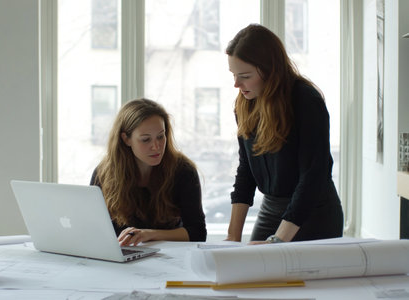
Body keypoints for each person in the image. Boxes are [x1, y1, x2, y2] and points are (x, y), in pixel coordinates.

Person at [225, 24, 344, 243]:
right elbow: (246, 172)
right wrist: (232, 238)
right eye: (233, 74)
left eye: (244, 75)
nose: (236, 84)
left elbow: (313, 176)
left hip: (314, 212)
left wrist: (279, 240)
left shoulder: (306, 100)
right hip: (271, 209)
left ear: (269, 69)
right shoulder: (245, 104)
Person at [90, 98, 207, 246]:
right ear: (126, 139)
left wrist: (149, 235)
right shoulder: (104, 173)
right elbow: (94, 230)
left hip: (172, 258)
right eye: (145, 140)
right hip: (122, 259)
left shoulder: (183, 171)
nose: (156, 147)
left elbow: (197, 232)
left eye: (160, 136)